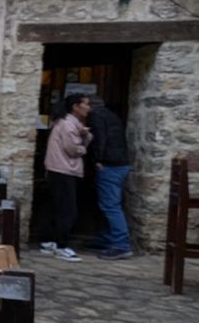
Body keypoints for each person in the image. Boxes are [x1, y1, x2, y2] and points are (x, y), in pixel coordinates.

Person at [41, 93, 91, 261]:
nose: (89, 108)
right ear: (75, 107)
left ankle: (49, 241)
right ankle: (62, 246)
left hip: (57, 169)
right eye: (86, 104)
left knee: (56, 206)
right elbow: (74, 150)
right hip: (64, 170)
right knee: (67, 210)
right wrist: (86, 141)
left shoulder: (65, 123)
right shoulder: (69, 125)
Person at [87, 97, 134, 260]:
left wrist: (97, 159)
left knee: (110, 206)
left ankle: (121, 245)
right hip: (120, 163)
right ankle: (107, 238)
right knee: (112, 203)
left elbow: (99, 137)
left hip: (110, 164)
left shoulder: (96, 116)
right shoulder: (112, 115)